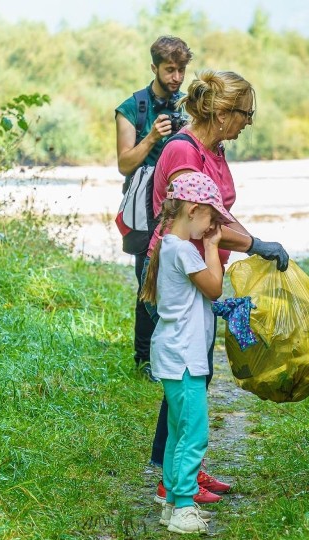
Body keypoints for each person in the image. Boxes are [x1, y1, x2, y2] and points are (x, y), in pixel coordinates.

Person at [146, 70, 290, 503]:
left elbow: (220, 216)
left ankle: (184, 469)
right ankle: (172, 479)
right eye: (245, 113)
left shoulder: (216, 150)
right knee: (185, 373)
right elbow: (199, 220)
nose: (248, 122)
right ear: (222, 111)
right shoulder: (182, 151)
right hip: (178, 273)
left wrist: (253, 243)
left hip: (201, 269)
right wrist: (254, 244)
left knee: (195, 372)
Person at [140, 172, 233, 534]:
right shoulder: (182, 249)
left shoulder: (168, 245)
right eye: (212, 218)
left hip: (174, 353)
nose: (213, 226)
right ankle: (182, 506)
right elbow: (213, 287)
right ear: (194, 210)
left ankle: (171, 502)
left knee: (178, 431)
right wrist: (212, 248)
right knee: (194, 433)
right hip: (183, 357)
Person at [115, 36, 193, 382]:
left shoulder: (187, 104)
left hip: (180, 199)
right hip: (145, 202)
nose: (176, 77)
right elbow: (123, 162)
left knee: (179, 274)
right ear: (154, 68)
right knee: (146, 275)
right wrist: (151, 138)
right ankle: (144, 359)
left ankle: (173, 352)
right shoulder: (132, 108)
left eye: (181, 70)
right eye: (170, 70)